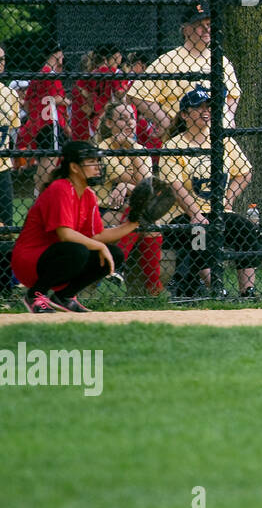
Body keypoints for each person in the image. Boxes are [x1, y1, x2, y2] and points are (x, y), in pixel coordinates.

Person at [11, 140, 142, 313]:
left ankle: (64, 296)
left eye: (97, 162)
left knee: (114, 254)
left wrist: (134, 223)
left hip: (57, 256)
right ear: (74, 167)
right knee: (78, 250)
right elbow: (65, 234)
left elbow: (97, 236)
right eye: (91, 162)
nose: (97, 167)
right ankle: (35, 295)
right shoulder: (61, 188)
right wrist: (99, 246)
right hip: (30, 260)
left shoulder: (88, 194)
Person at [158, 86, 262, 301]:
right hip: (184, 214)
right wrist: (195, 213)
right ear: (185, 114)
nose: (206, 112)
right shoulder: (173, 145)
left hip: (217, 210)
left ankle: (247, 291)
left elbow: (245, 173)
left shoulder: (222, 140)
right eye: (199, 107)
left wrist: (227, 201)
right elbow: (176, 187)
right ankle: (217, 289)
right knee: (200, 236)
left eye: (210, 107)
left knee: (247, 232)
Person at [127, 4, 241, 136]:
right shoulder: (169, 60)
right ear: (185, 29)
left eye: (209, 24)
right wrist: (166, 122)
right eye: (199, 24)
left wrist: (229, 118)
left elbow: (233, 94)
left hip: (220, 138)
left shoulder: (220, 60)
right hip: (185, 140)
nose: (206, 29)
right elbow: (137, 94)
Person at [95, 100, 163, 294]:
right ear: (109, 123)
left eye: (131, 118)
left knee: (147, 221)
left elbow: (145, 185)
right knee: (146, 219)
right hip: (104, 210)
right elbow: (140, 183)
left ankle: (122, 272)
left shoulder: (140, 150)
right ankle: (153, 288)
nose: (129, 123)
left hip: (130, 210)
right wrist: (130, 183)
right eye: (122, 119)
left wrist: (127, 185)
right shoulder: (103, 149)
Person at [16, 46, 70, 158]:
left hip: (37, 125)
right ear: (57, 56)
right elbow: (55, 98)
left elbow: (27, 104)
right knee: (52, 159)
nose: (62, 60)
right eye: (62, 57)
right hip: (51, 123)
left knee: (45, 159)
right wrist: (67, 101)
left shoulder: (38, 75)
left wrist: (38, 112)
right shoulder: (51, 75)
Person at [71, 44, 128, 141]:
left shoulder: (91, 74)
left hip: (95, 115)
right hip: (111, 114)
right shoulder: (115, 72)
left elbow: (83, 91)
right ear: (115, 56)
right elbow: (120, 92)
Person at [0, 44, 20, 229]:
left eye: (2, 60)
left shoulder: (9, 94)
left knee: (6, 227)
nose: (0, 64)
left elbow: (12, 129)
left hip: (2, 167)